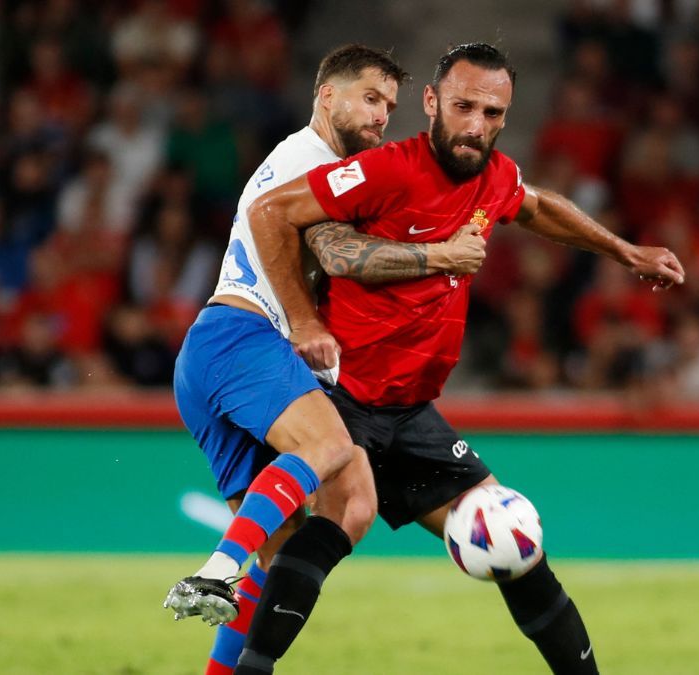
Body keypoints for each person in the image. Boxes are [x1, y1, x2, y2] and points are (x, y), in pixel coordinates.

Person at [228, 43, 685, 675]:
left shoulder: (495, 177)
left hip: (412, 414)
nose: (476, 125)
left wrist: (624, 250)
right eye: (464, 106)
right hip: (341, 398)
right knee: (340, 520)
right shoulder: (386, 169)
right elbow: (273, 212)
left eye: (493, 113)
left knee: (517, 544)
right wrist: (304, 321)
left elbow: (536, 206)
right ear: (432, 102)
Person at [162, 44, 489, 675]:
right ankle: (213, 572)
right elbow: (326, 250)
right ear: (326, 95)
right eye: (369, 99)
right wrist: (440, 256)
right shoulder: (310, 164)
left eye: (389, 107)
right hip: (244, 338)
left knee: (292, 548)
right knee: (332, 448)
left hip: (209, 355)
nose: (380, 118)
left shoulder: (306, 163)